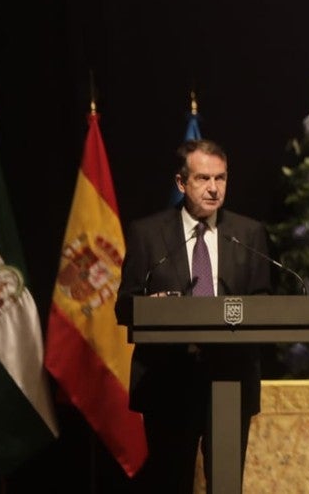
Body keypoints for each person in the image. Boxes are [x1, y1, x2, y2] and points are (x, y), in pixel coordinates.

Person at [115, 139, 273, 492]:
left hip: (231, 378)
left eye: (221, 178)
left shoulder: (248, 234)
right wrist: (151, 304)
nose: (214, 188)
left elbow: (263, 300)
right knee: (171, 483)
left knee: (227, 485)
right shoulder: (148, 234)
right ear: (181, 183)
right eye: (203, 178)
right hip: (169, 380)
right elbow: (124, 304)